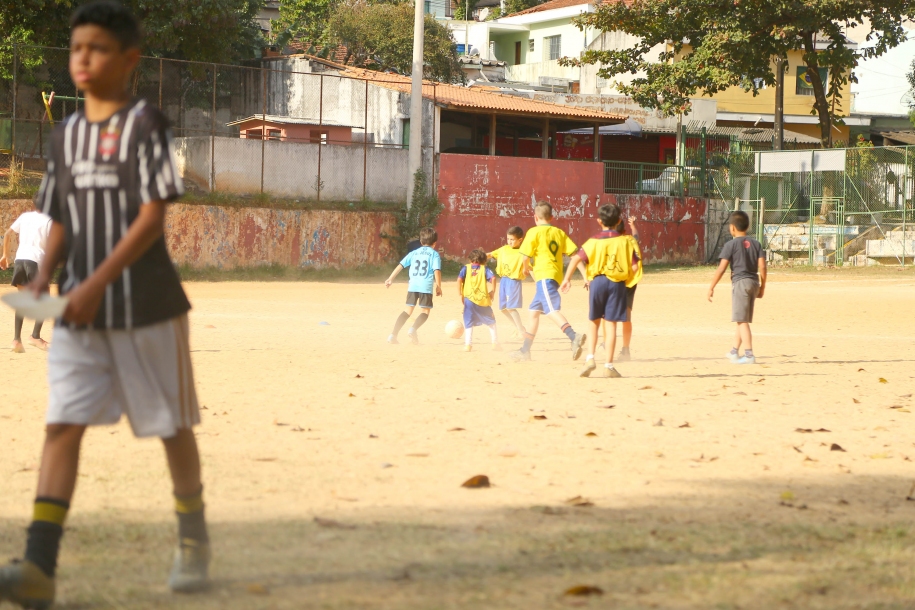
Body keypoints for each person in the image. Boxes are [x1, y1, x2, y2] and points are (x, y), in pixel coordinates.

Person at [0, 3, 211, 607]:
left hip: (146, 304)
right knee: (62, 425)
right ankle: (39, 565)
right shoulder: (66, 134)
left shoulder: (145, 124)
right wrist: (45, 279)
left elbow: (151, 216)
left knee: (172, 426)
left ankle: (193, 539)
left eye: (96, 48)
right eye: (75, 49)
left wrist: (92, 284)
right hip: (77, 311)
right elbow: (57, 214)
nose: (83, 59)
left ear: (129, 60)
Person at [561, 204, 638, 378]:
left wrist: (567, 279)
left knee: (594, 321)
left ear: (599, 221)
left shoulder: (592, 241)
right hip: (617, 283)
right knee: (610, 324)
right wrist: (623, 277)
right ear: (619, 221)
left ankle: (590, 358)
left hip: (597, 282)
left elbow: (575, 259)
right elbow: (635, 266)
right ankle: (608, 366)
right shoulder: (625, 241)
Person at [508, 202, 586, 362]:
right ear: (552, 217)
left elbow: (525, 256)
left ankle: (573, 336)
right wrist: (585, 276)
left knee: (551, 310)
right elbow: (575, 255)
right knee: (534, 312)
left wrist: (525, 267)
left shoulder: (533, 232)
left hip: (544, 276)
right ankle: (525, 350)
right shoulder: (559, 232)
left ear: (535, 217)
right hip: (554, 277)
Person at [707, 211, 767, 364]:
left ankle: (749, 355)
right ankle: (734, 351)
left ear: (732, 227)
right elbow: (762, 267)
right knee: (742, 319)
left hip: (741, 283)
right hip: (754, 282)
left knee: (742, 321)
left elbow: (721, 268)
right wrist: (762, 286)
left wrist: (711, 287)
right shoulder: (756, 244)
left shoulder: (731, 245)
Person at [0, 211, 53, 352]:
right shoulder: (49, 220)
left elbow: (7, 234)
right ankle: (35, 336)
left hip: (20, 259)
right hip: (35, 261)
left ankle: (16, 340)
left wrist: (4, 255)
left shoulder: (25, 216)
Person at [385, 227, 442, 344]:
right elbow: (437, 270)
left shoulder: (414, 253)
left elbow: (401, 265)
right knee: (425, 312)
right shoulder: (434, 255)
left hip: (413, 286)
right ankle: (413, 329)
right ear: (434, 243)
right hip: (425, 286)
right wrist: (438, 286)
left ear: (421, 242)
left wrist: (390, 279)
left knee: (407, 311)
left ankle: (393, 335)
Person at [487, 226, 527, 339]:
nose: (509, 241)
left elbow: (530, 268)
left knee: (510, 307)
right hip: (504, 281)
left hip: (514, 281)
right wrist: (477, 258)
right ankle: (519, 328)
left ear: (520, 239)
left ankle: (522, 332)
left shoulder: (523, 252)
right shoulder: (504, 249)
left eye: (512, 239)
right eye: (508, 239)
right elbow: (490, 254)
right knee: (503, 309)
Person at [457, 248, 500, 352]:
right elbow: (493, 278)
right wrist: (493, 291)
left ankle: (468, 345)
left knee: (468, 322)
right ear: (484, 260)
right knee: (491, 321)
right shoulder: (484, 269)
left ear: (470, 260)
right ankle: (495, 343)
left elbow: (459, 280)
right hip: (482, 300)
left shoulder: (465, 268)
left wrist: (460, 294)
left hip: (469, 300)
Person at [618, 217, 642, 361]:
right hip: (631, 281)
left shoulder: (614, 242)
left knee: (606, 315)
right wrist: (633, 225)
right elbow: (636, 237)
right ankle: (625, 349)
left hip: (618, 280)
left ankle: (607, 342)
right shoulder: (630, 240)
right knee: (626, 316)